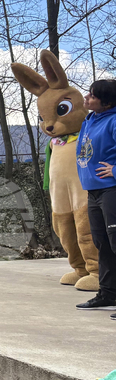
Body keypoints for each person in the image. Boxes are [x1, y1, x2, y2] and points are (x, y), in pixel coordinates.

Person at [76, 80, 116, 312]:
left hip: (112, 189)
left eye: (93, 96)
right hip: (93, 191)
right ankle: (108, 294)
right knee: (103, 244)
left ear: (108, 102)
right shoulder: (90, 120)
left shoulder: (113, 120)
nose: (87, 97)